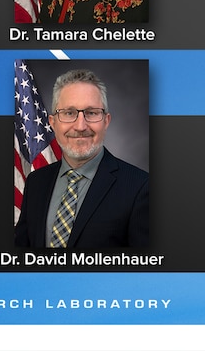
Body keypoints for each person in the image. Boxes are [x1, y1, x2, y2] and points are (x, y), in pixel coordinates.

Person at [14, 69, 149, 248]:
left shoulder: (140, 187)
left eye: (91, 113)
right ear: (53, 123)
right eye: (69, 113)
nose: (80, 126)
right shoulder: (36, 181)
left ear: (106, 121)